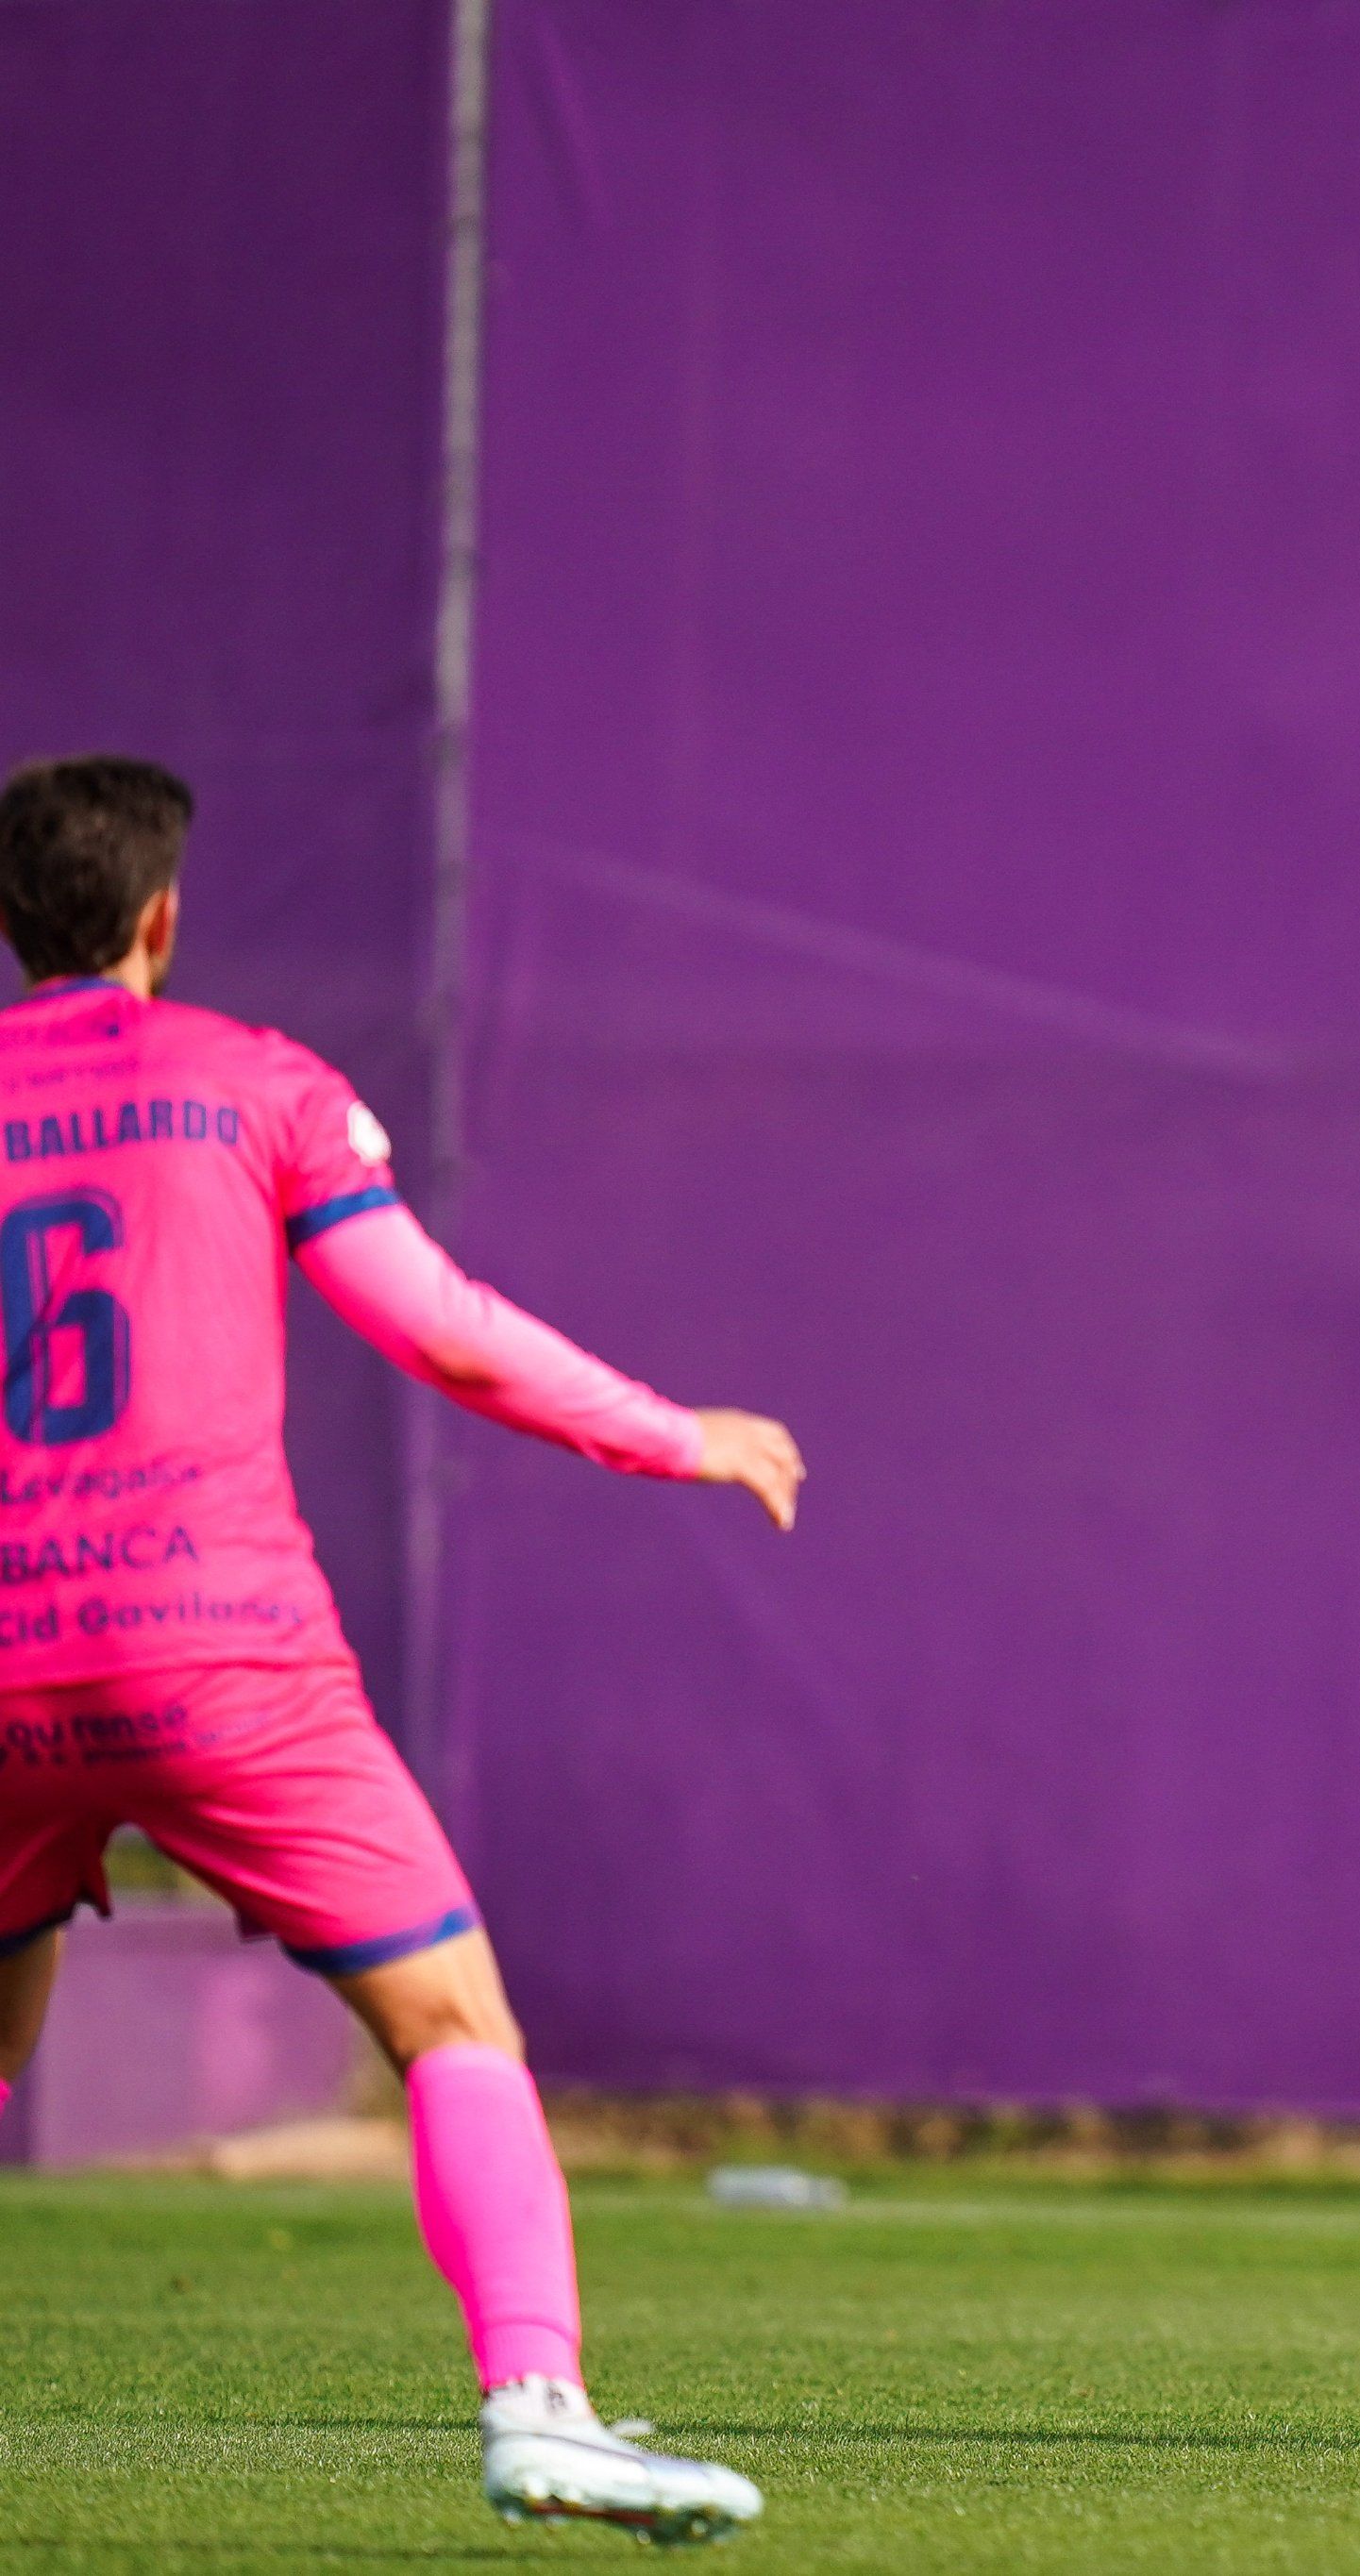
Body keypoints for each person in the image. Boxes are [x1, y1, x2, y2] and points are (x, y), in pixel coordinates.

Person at [0, 758, 802, 2547]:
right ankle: (538, 2407)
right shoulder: (255, 1079)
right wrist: (678, 1434)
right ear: (157, 919)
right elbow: (441, 1334)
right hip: (217, 1647)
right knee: (453, 2022)